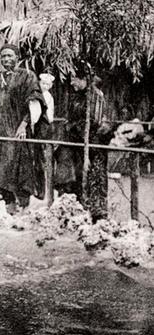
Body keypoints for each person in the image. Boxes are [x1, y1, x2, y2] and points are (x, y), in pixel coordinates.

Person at [0, 44, 45, 213]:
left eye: (9, 56)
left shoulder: (27, 76)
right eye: (3, 56)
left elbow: (34, 102)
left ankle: (24, 205)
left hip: (16, 131)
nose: (6, 59)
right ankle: (9, 204)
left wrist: (23, 125)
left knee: (20, 166)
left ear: (17, 57)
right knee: (0, 167)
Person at [54, 62, 112, 221]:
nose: (72, 82)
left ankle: (97, 214)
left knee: (94, 177)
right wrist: (69, 125)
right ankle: (72, 209)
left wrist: (73, 126)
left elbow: (94, 121)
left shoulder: (95, 96)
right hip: (76, 143)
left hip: (92, 144)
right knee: (71, 173)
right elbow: (70, 118)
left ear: (84, 79)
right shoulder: (75, 97)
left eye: (75, 79)